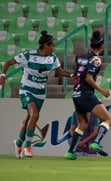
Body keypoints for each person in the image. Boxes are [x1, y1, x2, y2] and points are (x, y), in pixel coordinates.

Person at [0, 30, 75, 158]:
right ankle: (28, 146)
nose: (54, 48)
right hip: (27, 90)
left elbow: (60, 72)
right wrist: (2, 75)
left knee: (30, 118)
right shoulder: (29, 55)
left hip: (40, 93)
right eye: (52, 45)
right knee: (35, 114)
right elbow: (8, 62)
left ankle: (18, 142)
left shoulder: (53, 58)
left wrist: (72, 75)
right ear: (45, 46)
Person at [64, 31, 111, 160]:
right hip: (86, 94)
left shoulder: (81, 57)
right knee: (108, 119)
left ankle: (70, 152)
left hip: (76, 94)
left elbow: (75, 77)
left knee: (83, 125)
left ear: (91, 45)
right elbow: (89, 78)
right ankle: (96, 142)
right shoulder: (96, 60)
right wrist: (102, 91)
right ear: (102, 45)